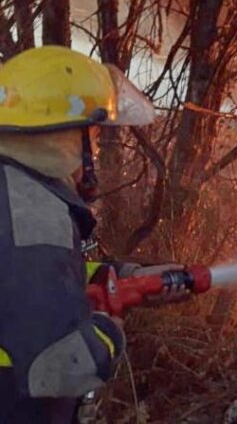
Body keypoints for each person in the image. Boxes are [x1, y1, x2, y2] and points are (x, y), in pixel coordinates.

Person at [0, 46, 174, 423]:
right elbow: (55, 369)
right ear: (65, 136)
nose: (93, 147)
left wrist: (116, 278)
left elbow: (21, 276)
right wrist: (108, 332)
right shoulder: (33, 211)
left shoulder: (13, 189)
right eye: (92, 136)